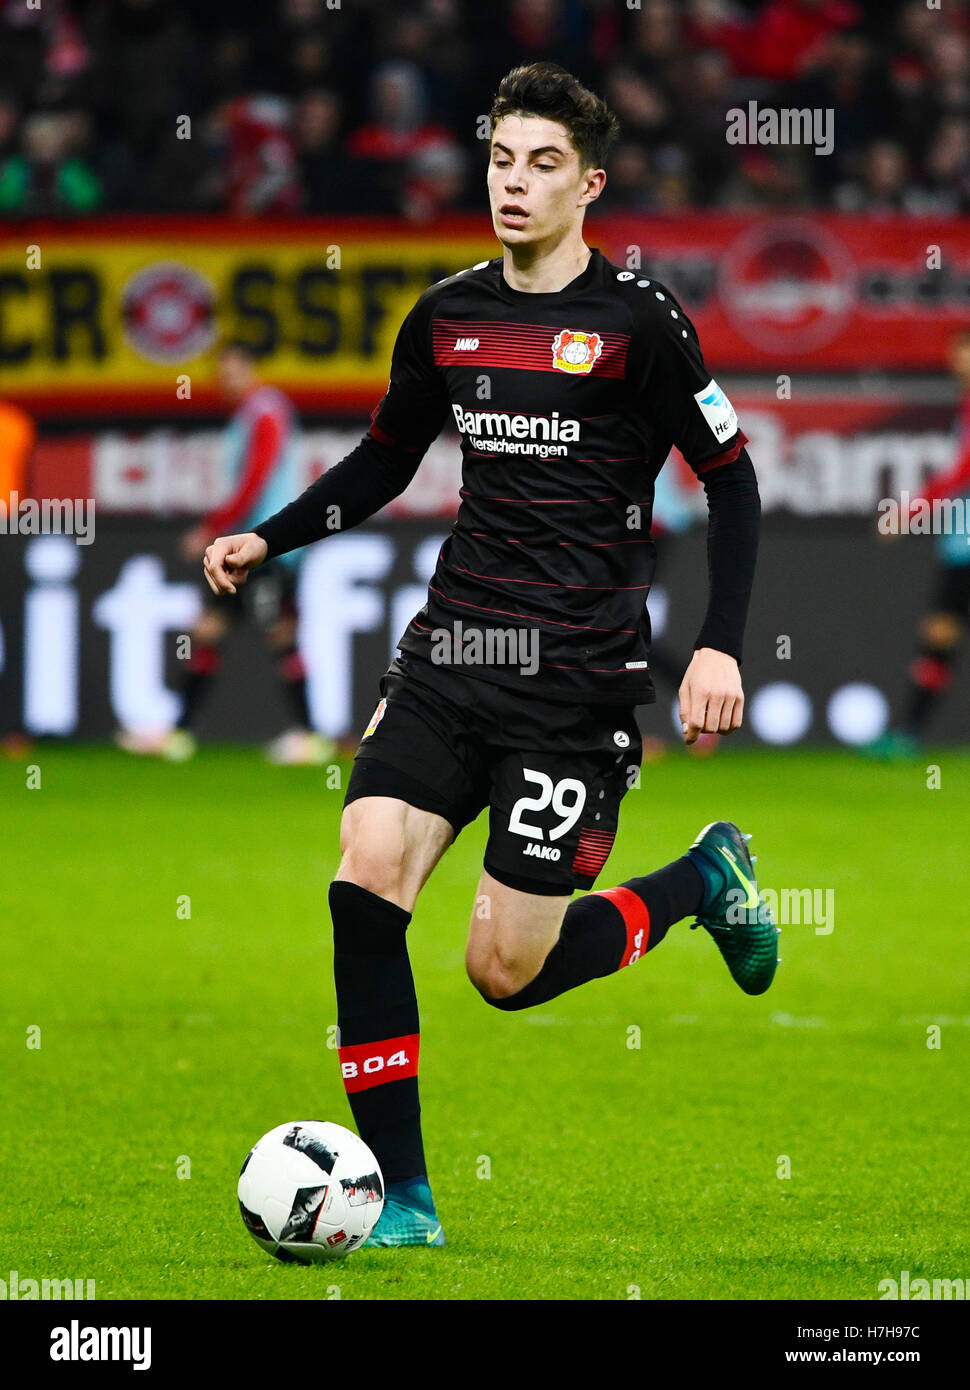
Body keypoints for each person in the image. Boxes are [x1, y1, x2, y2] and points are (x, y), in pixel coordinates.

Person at [201, 62, 778, 1247]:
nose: (514, 184)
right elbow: (382, 462)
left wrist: (718, 647)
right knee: (364, 879)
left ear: (591, 185)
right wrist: (272, 533)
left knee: (505, 971)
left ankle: (700, 881)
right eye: (502, 160)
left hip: (576, 688)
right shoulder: (449, 313)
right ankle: (404, 1200)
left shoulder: (641, 323)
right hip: (452, 651)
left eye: (543, 165)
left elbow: (732, 480)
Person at [118, 341, 330, 765]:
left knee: (280, 634)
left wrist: (214, 526)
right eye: (222, 374)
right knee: (208, 629)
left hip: (268, 546)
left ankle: (311, 737)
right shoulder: (248, 416)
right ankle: (180, 733)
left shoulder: (265, 411)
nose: (227, 381)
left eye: (233, 371)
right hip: (241, 546)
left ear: (250, 369)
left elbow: (256, 478)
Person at [868, 327, 970, 757]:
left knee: (940, 633)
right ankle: (908, 734)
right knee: (939, 634)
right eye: (957, 353)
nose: (958, 360)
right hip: (961, 542)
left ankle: (908, 734)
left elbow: (959, 473)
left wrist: (908, 513)